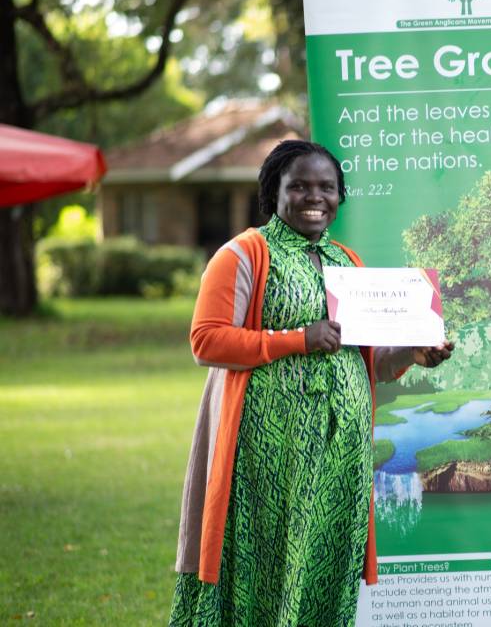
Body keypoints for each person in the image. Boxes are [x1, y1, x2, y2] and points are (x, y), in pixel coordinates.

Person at [168, 139, 453, 625]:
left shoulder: (349, 263)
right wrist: (297, 338)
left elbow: (369, 362)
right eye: (298, 186)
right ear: (273, 192)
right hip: (265, 455)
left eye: (326, 187)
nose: (314, 197)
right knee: (265, 564)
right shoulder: (244, 255)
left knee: (327, 562)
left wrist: (412, 353)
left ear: (341, 196)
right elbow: (206, 341)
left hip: (341, 454)